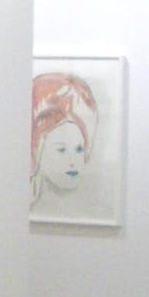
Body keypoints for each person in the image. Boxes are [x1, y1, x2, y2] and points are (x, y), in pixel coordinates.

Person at [30, 72, 99, 211]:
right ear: (37, 149)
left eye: (79, 149)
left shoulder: (95, 209)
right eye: (61, 150)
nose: (73, 161)